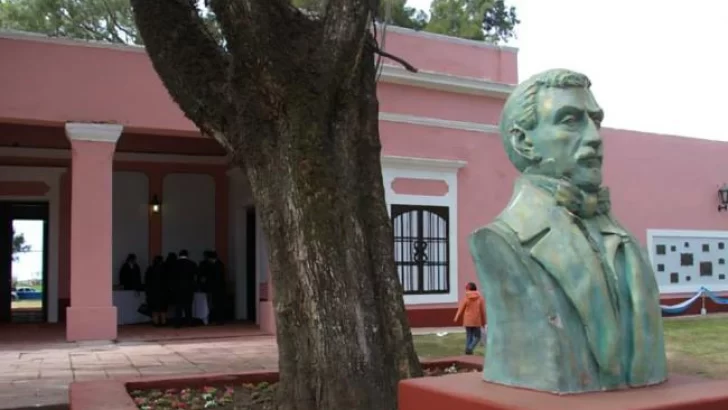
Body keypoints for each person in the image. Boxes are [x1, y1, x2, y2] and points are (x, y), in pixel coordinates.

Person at [469, 68, 667, 393]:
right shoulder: (501, 239)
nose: (594, 137)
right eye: (571, 120)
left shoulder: (625, 240)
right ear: (523, 142)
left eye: (596, 121)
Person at [453, 282, 485, 355]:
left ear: (469, 289)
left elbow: (461, 308)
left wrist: (456, 317)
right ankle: (470, 349)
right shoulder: (480, 298)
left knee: (469, 336)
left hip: (467, 320)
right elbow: (482, 311)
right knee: (477, 337)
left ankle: (468, 350)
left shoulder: (466, 298)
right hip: (477, 321)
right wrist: (484, 322)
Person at [172, 249, 198, 327]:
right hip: (189, 288)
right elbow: (196, 275)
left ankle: (177, 323)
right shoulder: (192, 263)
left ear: (179, 255)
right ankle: (189, 322)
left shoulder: (174, 264)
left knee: (178, 306)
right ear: (187, 255)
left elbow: (171, 277)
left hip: (178, 288)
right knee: (188, 306)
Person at [144, 255, 168, 326]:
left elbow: (147, 281)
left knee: (154, 309)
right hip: (163, 292)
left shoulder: (150, 269)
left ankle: (156, 322)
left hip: (153, 292)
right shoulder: (165, 269)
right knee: (163, 309)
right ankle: (163, 322)